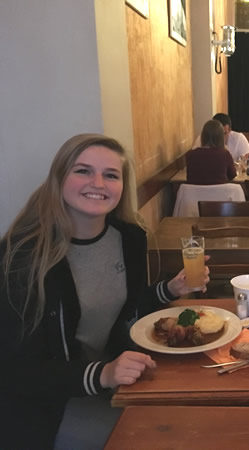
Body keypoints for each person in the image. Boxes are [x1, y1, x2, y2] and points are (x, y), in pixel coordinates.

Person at [0, 134, 210, 449]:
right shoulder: (21, 256)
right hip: (51, 405)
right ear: (59, 178)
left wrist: (169, 289)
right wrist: (103, 374)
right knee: (161, 437)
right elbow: (18, 369)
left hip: (119, 377)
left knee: (199, 419)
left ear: (121, 186)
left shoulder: (130, 237)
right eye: (83, 171)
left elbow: (126, 311)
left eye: (111, 175)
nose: (98, 183)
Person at [186, 119, 237, 185]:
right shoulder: (225, 155)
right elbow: (232, 176)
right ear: (221, 137)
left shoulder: (190, 155)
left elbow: (189, 177)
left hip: (195, 194)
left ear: (203, 136)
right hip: (219, 194)